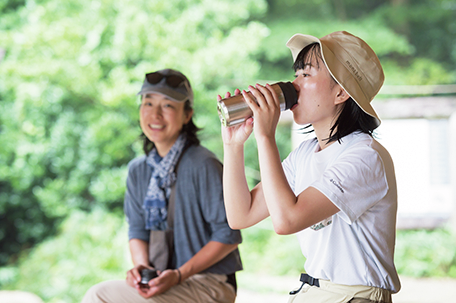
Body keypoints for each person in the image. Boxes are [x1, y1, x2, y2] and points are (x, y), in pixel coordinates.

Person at [218, 31, 401, 303]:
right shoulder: (305, 153)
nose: (294, 84)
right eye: (296, 74)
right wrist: (233, 146)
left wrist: (265, 136)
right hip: (315, 293)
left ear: (341, 92)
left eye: (306, 74)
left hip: (355, 296)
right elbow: (240, 215)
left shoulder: (365, 156)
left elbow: (286, 220)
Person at [83, 68, 243, 303]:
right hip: (163, 280)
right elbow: (137, 230)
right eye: (148, 104)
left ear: (187, 115)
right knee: (97, 295)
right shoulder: (138, 170)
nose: (155, 115)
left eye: (167, 105)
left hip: (210, 282)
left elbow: (228, 236)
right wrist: (141, 270)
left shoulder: (203, 164)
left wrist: (179, 275)